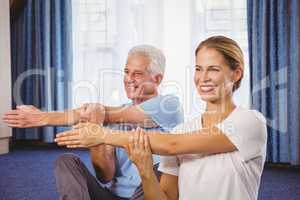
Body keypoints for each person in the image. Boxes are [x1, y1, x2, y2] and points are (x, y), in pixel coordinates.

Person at [55, 36, 267, 200]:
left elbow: (173, 145)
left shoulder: (250, 122)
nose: (203, 78)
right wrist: (146, 170)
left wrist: (101, 134)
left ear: (236, 73)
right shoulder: (181, 130)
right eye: (198, 69)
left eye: (213, 69)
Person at [3, 45, 184, 200]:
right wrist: (95, 130)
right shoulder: (111, 118)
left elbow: (114, 113)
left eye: (137, 74)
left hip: (148, 192)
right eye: (127, 72)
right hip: (113, 195)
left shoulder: (169, 105)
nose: (129, 79)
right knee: (66, 162)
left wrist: (44, 118)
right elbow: (105, 176)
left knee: (155, 169)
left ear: (157, 79)